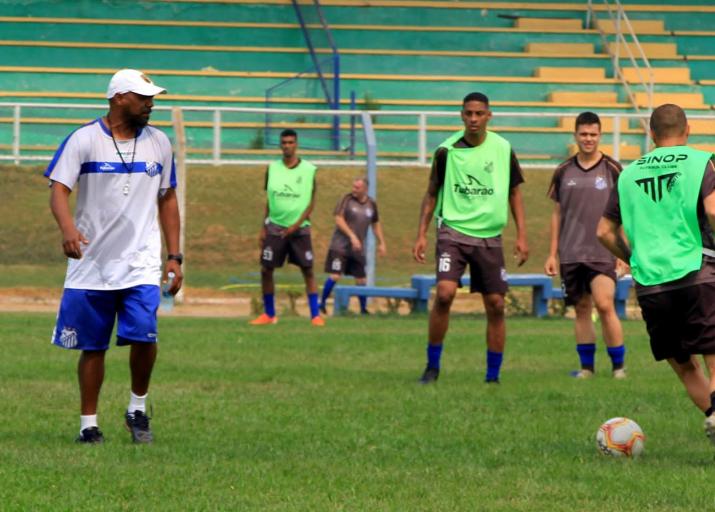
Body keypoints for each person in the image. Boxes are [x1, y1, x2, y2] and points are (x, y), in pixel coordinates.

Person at [45, 69, 183, 444]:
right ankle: (88, 425)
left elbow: (167, 198)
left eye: (152, 97)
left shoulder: (160, 143)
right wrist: (68, 230)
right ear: (119, 97)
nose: (151, 104)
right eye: (143, 97)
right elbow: (58, 190)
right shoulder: (83, 140)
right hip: (91, 264)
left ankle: (137, 409)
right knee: (93, 347)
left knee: (145, 336)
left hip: (140, 263)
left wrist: (175, 256)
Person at [597, 103, 715, 443]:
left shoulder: (629, 174)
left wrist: (633, 258)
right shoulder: (700, 162)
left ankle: (712, 416)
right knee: (713, 352)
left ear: (651, 134)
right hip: (697, 272)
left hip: (651, 283)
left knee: (683, 363)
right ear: (687, 130)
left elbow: (603, 232)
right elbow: (712, 209)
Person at [412, 92, 529, 384]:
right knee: (444, 294)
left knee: (496, 305)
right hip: (453, 231)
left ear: (489, 115)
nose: (474, 119)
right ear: (461, 115)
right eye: (469, 113)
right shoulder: (446, 151)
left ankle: (492, 377)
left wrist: (522, 235)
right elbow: (431, 193)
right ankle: (432, 366)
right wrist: (421, 235)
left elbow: (515, 191)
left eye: (479, 114)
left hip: (490, 237)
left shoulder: (503, 148)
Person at [544, 112, 627, 379]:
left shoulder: (613, 169)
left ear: (599, 136)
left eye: (593, 134)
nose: (588, 139)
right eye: (583, 134)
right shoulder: (563, 171)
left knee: (604, 304)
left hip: (603, 251)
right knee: (581, 309)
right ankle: (587, 368)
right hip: (571, 252)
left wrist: (623, 252)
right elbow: (557, 213)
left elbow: (625, 212)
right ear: (575, 136)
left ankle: (618, 368)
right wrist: (552, 253)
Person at [251, 129, 324, 326]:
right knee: (266, 270)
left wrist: (296, 224)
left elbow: (311, 202)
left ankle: (315, 315)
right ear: (280, 145)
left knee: (308, 270)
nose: (287, 146)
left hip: (300, 230)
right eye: (284, 142)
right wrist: (263, 226)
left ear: (296, 144)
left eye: (291, 142)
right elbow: (270, 199)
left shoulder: (309, 170)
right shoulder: (272, 168)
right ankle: (269, 314)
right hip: (275, 227)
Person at [319, 177, 387, 314]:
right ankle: (322, 303)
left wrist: (382, 242)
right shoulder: (347, 199)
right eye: (353, 187)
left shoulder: (371, 204)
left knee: (361, 278)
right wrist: (352, 236)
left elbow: (375, 224)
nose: (353, 190)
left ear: (365, 189)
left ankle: (363, 310)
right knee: (335, 275)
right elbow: (338, 219)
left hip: (357, 248)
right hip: (340, 246)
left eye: (357, 188)